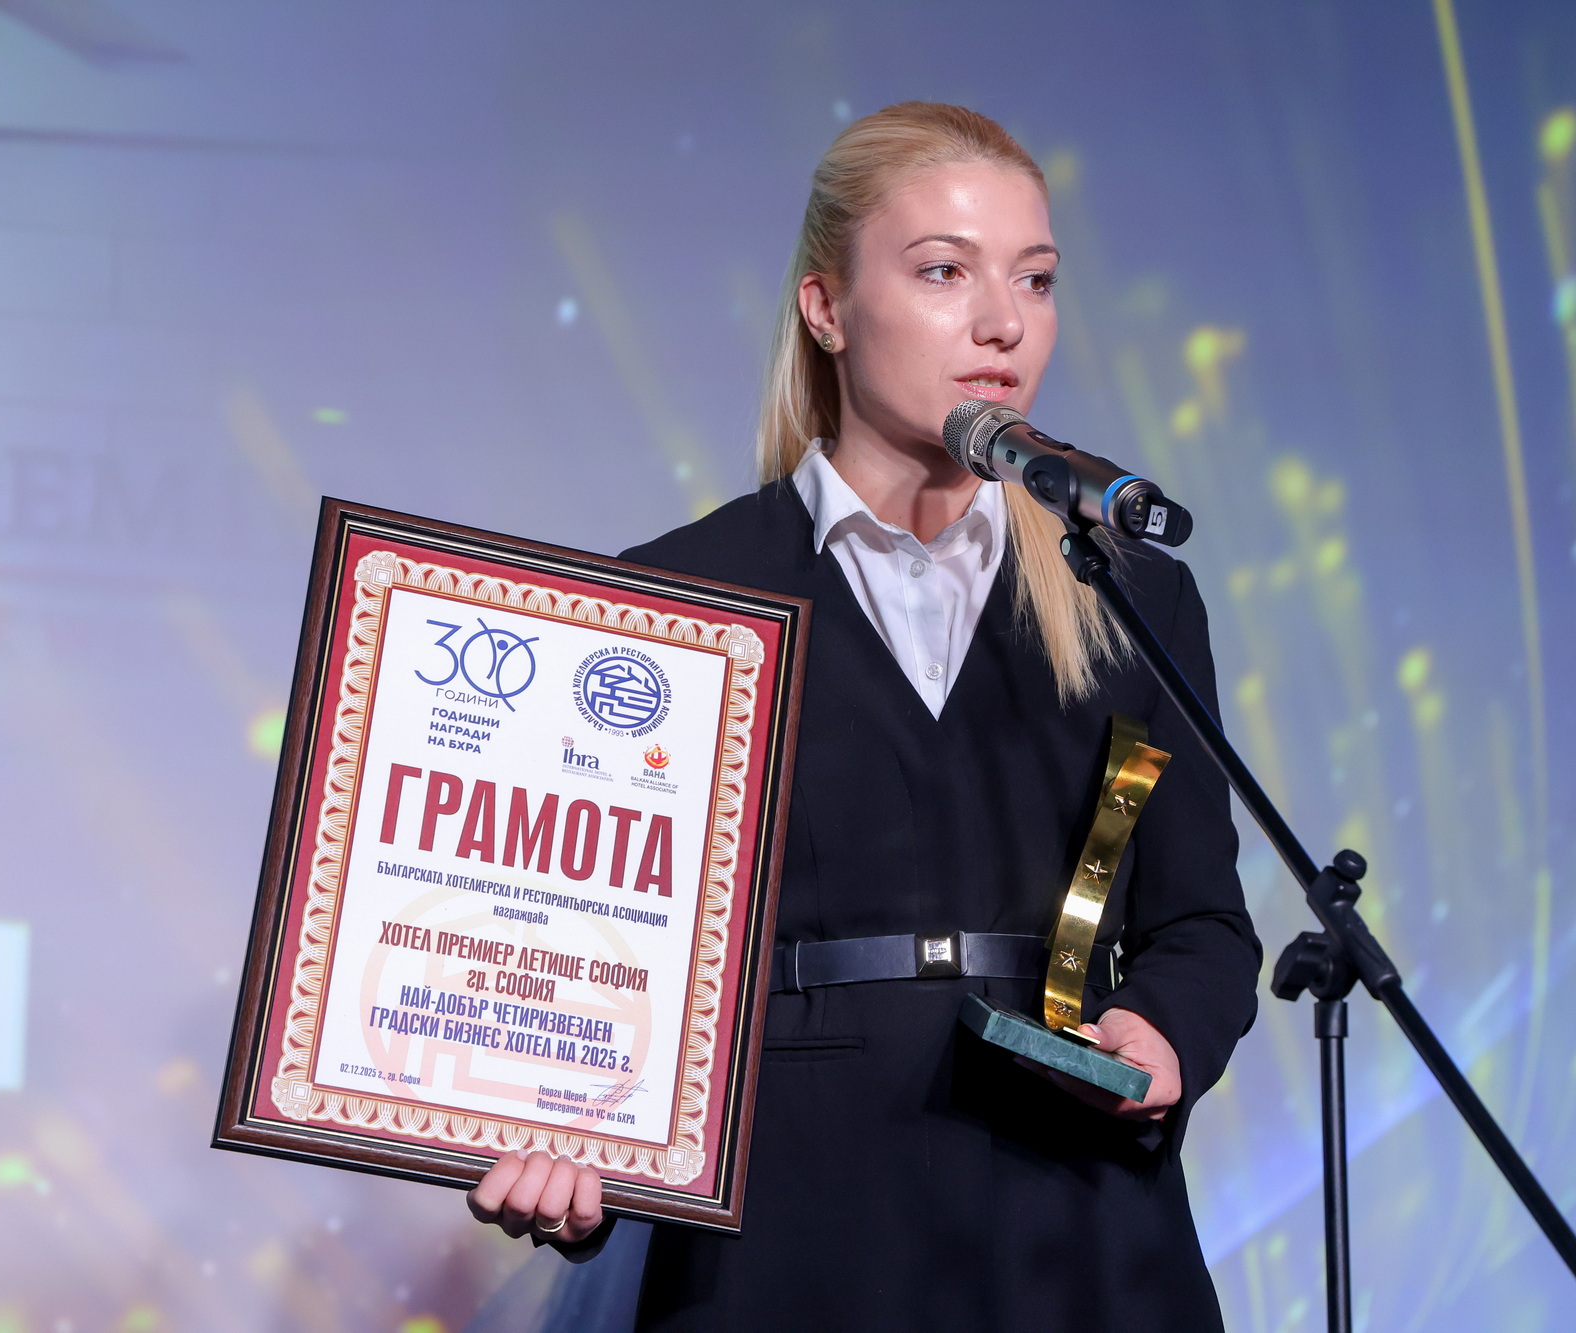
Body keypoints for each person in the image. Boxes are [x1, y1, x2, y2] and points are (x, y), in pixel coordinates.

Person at [467, 101, 1260, 1331]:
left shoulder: (1130, 595)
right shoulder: (677, 593)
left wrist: (1161, 1033)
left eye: (1034, 279)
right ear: (825, 307)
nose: (1002, 322)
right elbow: (596, 956)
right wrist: (570, 1141)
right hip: (791, 1230)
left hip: (1078, 1231)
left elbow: (1200, 920)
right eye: (943, 271)